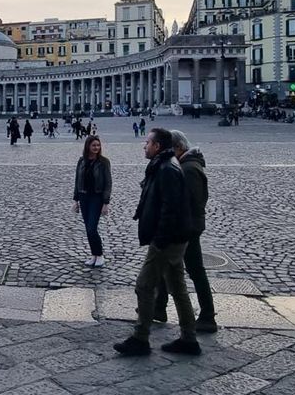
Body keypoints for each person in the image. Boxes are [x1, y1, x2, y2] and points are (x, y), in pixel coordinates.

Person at [114, 128, 200, 357]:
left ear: (157, 147)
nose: (144, 146)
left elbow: (171, 209)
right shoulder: (165, 164)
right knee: (178, 287)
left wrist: (159, 240)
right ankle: (189, 338)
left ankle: (140, 338)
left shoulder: (167, 169)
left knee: (144, 285)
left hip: (167, 239)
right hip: (175, 237)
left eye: (147, 142)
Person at [154, 130, 217, 333]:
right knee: (165, 267)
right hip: (185, 226)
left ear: (178, 147)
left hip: (187, 228)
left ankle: (207, 316)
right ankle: (158, 307)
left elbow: (190, 202)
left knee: (195, 271)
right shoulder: (186, 165)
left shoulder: (189, 169)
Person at [72, 135, 112, 268]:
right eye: (94, 145)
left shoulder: (104, 162)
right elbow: (77, 180)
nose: (96, 148)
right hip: (83, 197)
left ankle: (99, 255)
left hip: (97, 197)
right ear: (88, 146)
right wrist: (76, 200)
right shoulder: (81, 161)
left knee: (91, 228)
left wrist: (106, 203)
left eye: (98, 145)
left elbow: (108, 183)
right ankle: (93, 255)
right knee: (88, 228)